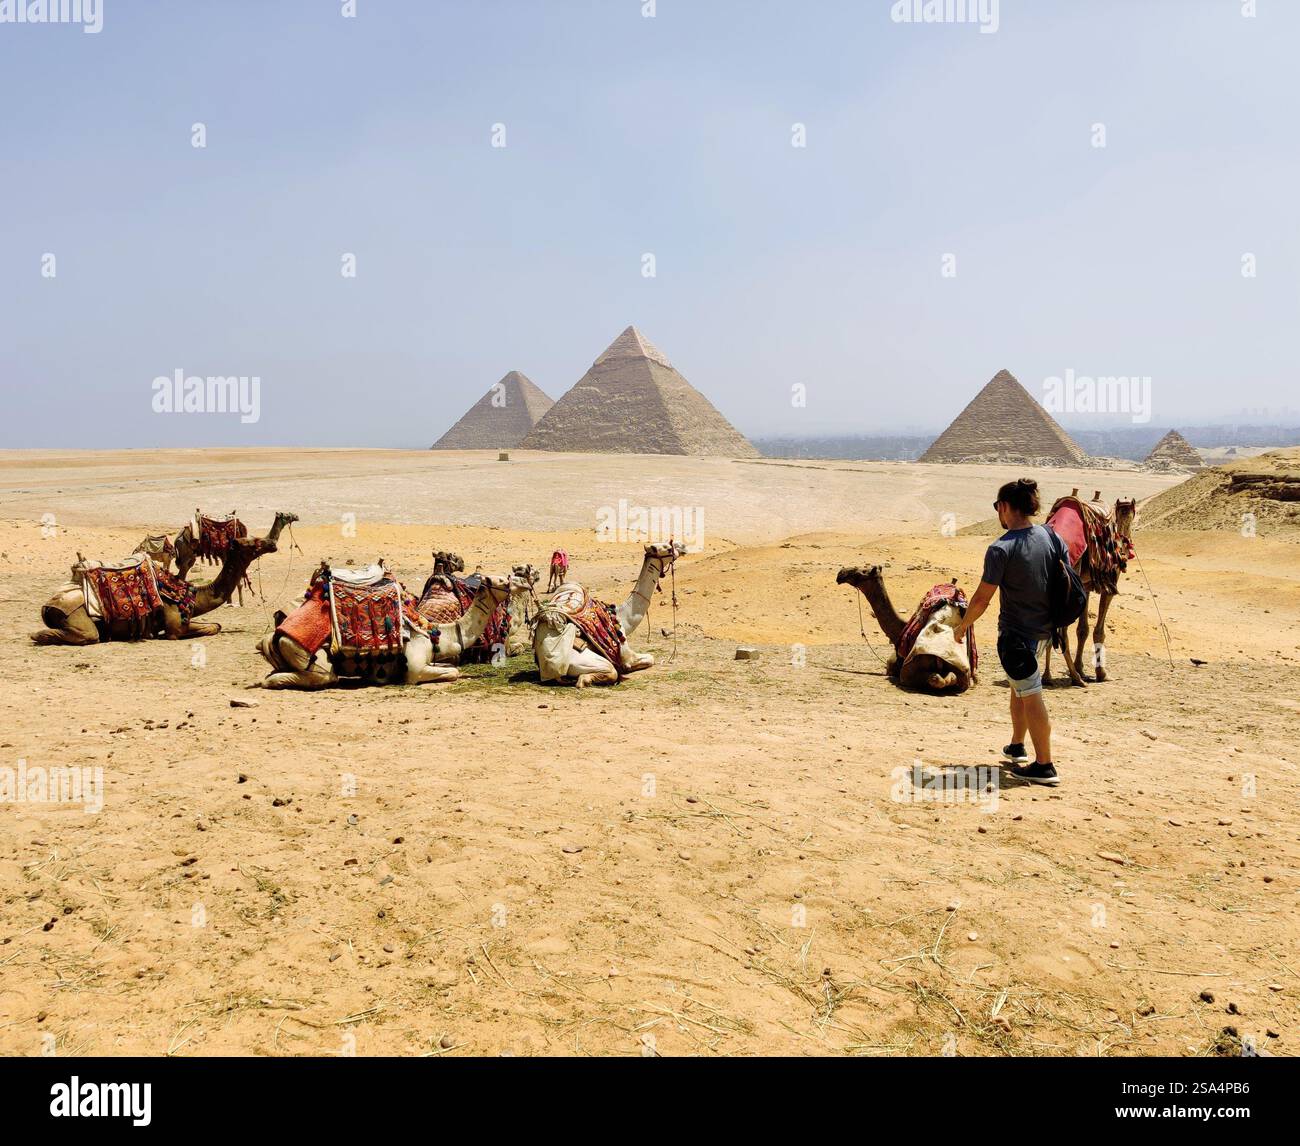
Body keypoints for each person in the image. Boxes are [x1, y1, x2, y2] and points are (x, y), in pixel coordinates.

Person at [952, 477, 1060, 786]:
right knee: (1020, 687)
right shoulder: (1050, 536)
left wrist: (962, 627)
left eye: (997, 506)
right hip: (1044, 631)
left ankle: (1045, 766)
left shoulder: (1001, 548)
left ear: (1005, 507)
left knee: (1031, 693)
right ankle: (1017, 745)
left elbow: (982, 599)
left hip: (1016, 636)